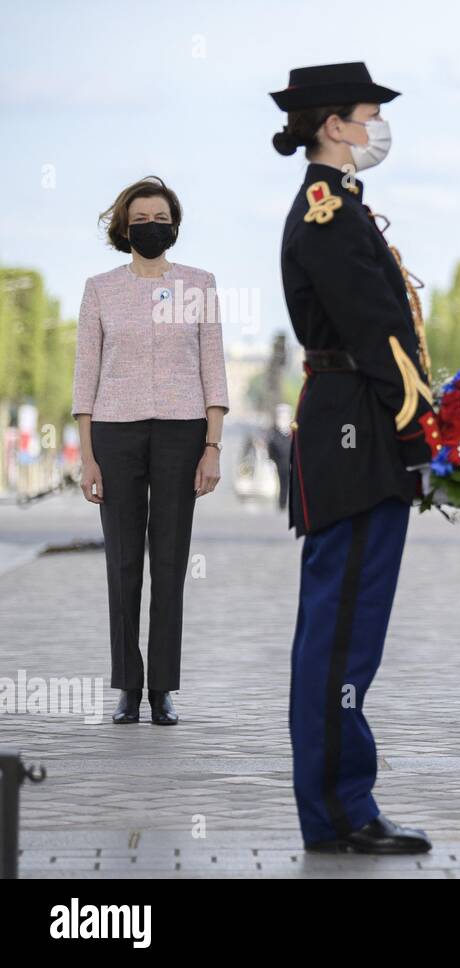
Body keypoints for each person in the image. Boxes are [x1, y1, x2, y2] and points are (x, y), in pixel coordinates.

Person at [270, 61, 436, 854]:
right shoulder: (330, 213)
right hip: (357, 431)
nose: (378, 127)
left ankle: (340, 801)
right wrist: (416, 433)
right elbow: (379, 336)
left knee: (341, 628)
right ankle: (340, 809)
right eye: (370, 113)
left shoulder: (338, 207)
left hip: (352, 425)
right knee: (343, 632)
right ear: (334, 124)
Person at [73, 176, 229, 727]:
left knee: (169, 562)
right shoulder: (99, 289)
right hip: (115, 434)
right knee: (122, 564)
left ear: (174, 223)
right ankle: (127, 686)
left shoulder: (200, 285)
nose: (150, 227)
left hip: (182, 433)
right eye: (139, 220)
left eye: (158, 218)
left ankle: (163, 686)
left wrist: (212, 446)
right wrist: (87, 457)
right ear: (124, 228)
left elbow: (214, 371)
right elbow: (84, 380)